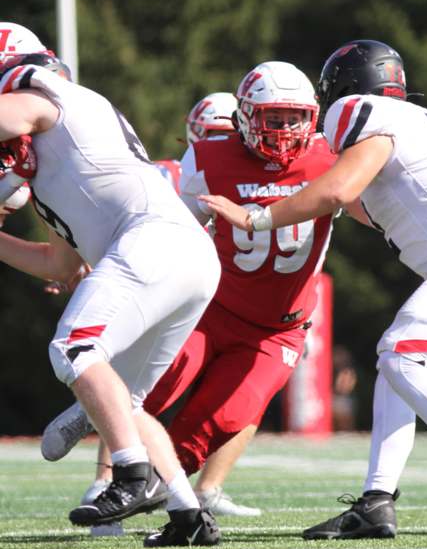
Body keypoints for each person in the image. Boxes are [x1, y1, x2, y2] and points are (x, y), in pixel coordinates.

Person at [201, 39, 427, 540]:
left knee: (401, 356)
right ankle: (376, 502)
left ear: (345, 87)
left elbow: (338, 190)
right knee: (394, 369)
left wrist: (257, 216)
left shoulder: (362, 110)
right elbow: (351, 202)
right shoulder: (419, 124)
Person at [42, 61, 337, 541]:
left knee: (219, 422)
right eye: (271, 117)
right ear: (243, 116)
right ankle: (107, 487)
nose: (283, 131)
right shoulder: (209, 157)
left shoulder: (333, 159)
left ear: (312, 117)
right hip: (211, 308)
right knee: (147, 392)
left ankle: (160, 497)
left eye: (293, 118)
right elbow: (163, 227)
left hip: (277, 326)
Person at [0, 22, 221, 547]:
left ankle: (128, 474)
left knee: (74, 348)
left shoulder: (46, 94)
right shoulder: (59, 160)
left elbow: (13, 114)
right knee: (128, 401)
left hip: (154, 240)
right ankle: (187, 515)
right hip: (184, 255)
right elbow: (60, 265)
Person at [46, 91, 264, 517]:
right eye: (210, 135)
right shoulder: (169, 173)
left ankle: (174, 488)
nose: (219, 144)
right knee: (116, 383)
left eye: (225, 134)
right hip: (184, 287)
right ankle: (118, 481)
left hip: (209, 293)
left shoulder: (261, 176)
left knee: (107, 374)